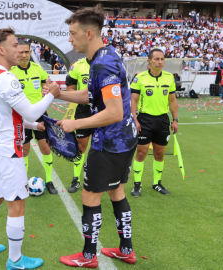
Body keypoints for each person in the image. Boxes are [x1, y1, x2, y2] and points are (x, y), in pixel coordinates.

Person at [52, 5, 138, 267]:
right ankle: (126, 250)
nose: (69, 39)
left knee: (90, 196)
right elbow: (93, 96)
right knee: (117, 192)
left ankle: (88, 256)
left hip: (111, 142)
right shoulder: (104, 56)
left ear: (89, 33)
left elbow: (112, 112)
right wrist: (60, 94)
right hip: (125, 139)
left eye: (72, 33)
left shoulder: (101, 63)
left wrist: (75, 122)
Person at [0, 27, 59, 270]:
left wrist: (34, 125)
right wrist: (51, 94)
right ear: (1, 50)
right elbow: (30, 110)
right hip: (8, 151)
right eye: (13, 46)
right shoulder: (6, 78)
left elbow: (7, 114)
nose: (18, 50)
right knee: (17, 204)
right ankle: (16, 260)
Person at [9, 40, 58, 195]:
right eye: (21, 52)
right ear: (17, 52)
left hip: (40, 113)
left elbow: (48, 85)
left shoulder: (38, 68)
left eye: (27, 52)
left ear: (31, 52)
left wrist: (47, 88)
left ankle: (49, 181)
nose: (24, 55)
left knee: (45, 148)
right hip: (21, 115)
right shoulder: (11, 71)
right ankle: (23, 182)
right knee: (24, 150)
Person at [130, 48, 178, 198]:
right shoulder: (140, 78)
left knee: (159, 154)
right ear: (149, 61)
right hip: (144, 120)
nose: (160, 62)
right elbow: (133, 100)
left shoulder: (169, 78)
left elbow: (172, 100)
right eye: (156, 59)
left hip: (163, 120)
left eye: (162, 59)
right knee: (141, 153)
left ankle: (157, 183)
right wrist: (135, 119)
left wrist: (175, 119)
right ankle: (137, 185)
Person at [64, 57, 90, 193]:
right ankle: (76, 179)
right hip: (83, 110)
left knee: (103, 146)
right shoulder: (77, 66)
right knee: (81, 146)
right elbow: (70, 90)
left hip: (103, 109)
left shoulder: (106, 63)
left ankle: (101, 178)